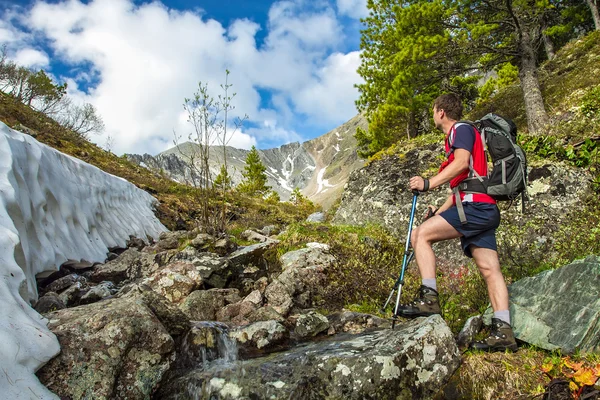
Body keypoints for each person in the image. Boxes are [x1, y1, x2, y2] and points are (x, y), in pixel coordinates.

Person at [395, 93, 517, 353]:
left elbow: (461, 163)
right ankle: (504, 331)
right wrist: (438, 211)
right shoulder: (464, 135)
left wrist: (427, 183)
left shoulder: (460, 130)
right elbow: (461, 187)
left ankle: (428, 299)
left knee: (420, 236)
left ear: (441, 112)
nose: (433, 115)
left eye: (433, 110)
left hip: (475, 207)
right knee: (489, 268)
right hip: (482, 207)